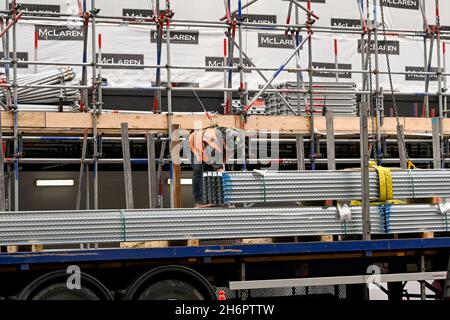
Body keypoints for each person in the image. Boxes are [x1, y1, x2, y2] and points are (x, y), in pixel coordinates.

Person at [188, 126, 242, 208]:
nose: (229, 149)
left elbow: (224, 160)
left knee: (217, 172)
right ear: (223, 141)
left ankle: (216, 198)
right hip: (193, 143)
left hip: (207, 146)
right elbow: (218, 166)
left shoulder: (235, 141)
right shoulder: (212, 142)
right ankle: (199, 200)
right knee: (198, 170)